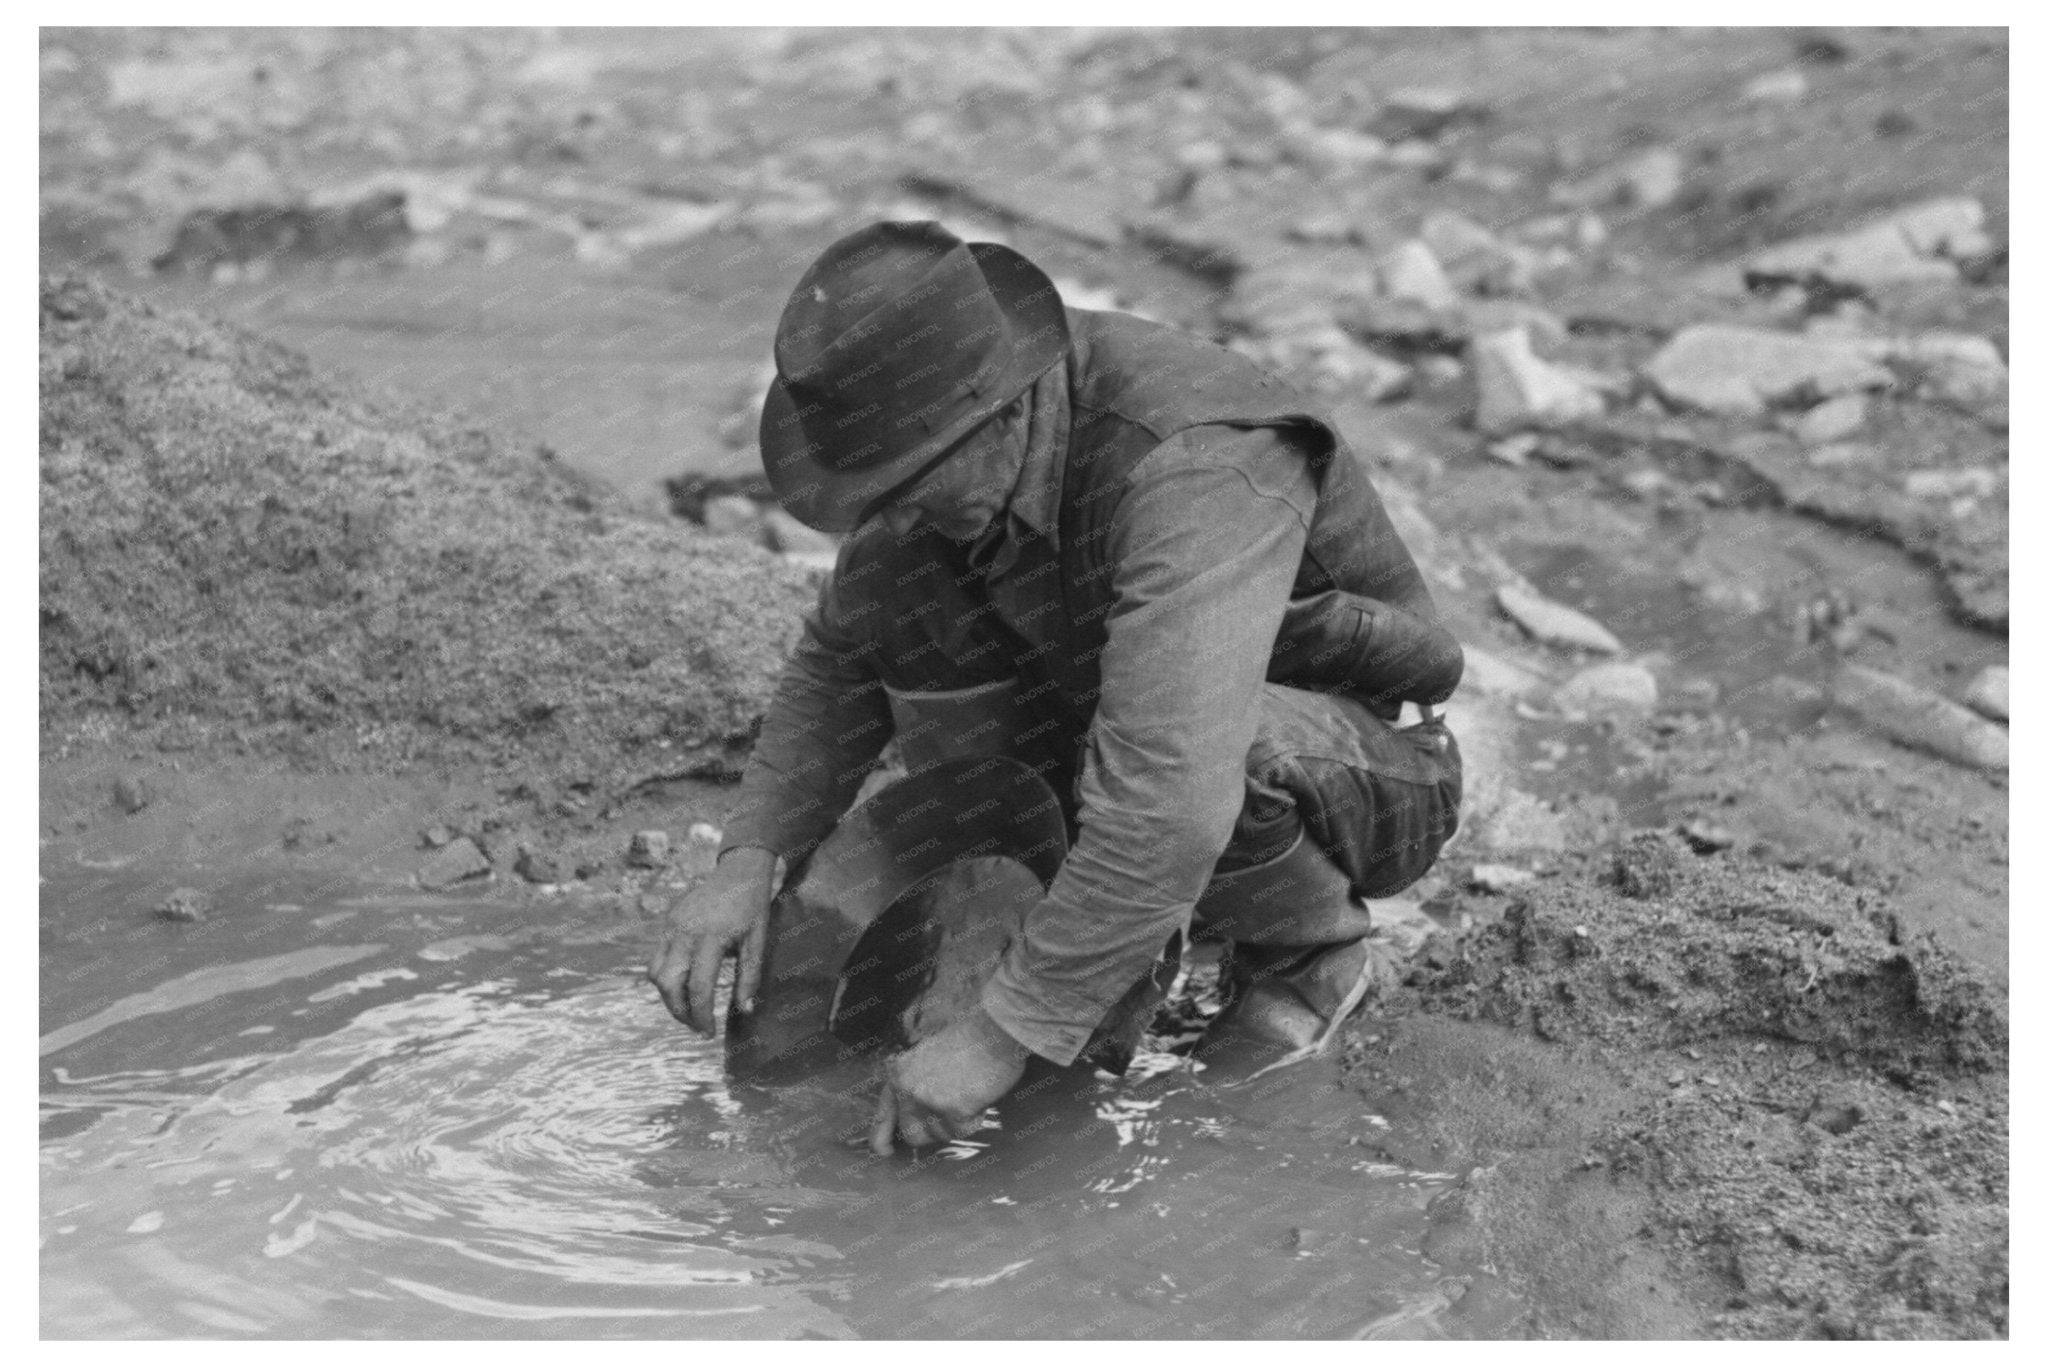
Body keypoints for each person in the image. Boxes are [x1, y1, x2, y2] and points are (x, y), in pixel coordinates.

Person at [648, 221, 1463, 1156]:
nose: (890, 509)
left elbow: (1172, 797)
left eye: (905, 480)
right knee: (913, 600)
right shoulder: (955, 454)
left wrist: (999, 1036)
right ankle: (1095, 929)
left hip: (1357, 760)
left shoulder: (1190, 463)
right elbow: (842, 659)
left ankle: (1304, 956)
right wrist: (749, 858)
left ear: (998, 414)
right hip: (1127, 716)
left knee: (1216, 755)